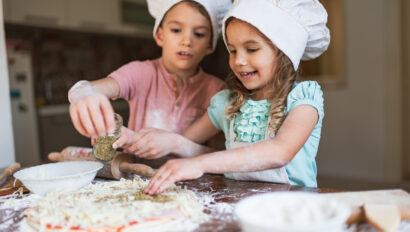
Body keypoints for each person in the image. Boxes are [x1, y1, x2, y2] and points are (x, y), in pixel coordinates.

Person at [144, 0, 330, 195]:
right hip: (236, 203)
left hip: (291, 212)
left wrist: (199, 164)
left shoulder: (303, 99)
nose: (239, 61)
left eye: (251, 49)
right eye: (233, 50)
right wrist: (144, 140)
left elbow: (280, 152)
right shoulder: (226, 103)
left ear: (284, 52)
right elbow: (182, 142)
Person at [67, 0, 232, 153]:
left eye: (199, 34)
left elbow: (218, 154)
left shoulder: (216, 90)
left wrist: (178, 145)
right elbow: (84, 89)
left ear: (210, 44)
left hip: (193, 182)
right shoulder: (140, 73)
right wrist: (85, 94)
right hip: (135, 180)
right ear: (160, 35)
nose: (186, 41)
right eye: (176, 30)